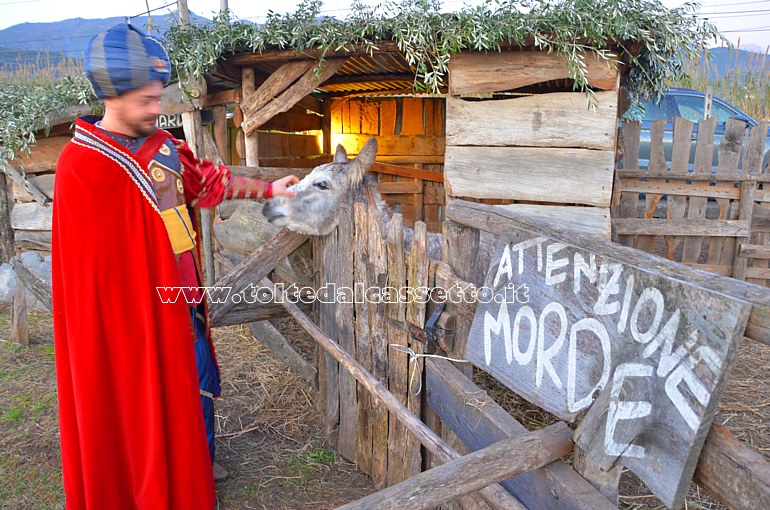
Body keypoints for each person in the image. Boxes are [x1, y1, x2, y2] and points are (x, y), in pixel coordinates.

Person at [51, 23, 297, 510]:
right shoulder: (80, 166)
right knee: (135, 409)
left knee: (195, 389)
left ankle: (191, 471)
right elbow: (88, 281)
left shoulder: (163, 149)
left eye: (158, 97)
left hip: (182, 306)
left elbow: (206, 184)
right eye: (146, 100)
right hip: (125, 330)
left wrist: (270, 189)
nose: (156, 108)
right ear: (113, 96)